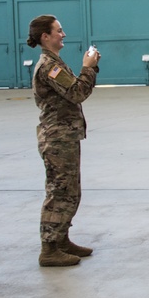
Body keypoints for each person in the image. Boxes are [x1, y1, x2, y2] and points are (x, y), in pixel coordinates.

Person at [27, 15, 101, 267]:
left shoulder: (54, 62)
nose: (63, 34)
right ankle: (49, 249)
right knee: (59, 191)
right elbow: (77, 93)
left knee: (70, 191)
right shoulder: (50, 66)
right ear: (45, 36)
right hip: (57, 138)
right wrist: (88, 67)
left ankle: (60, 240)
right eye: (58, 30)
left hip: (64, 136)